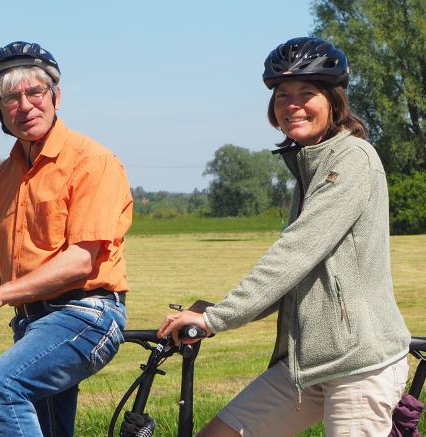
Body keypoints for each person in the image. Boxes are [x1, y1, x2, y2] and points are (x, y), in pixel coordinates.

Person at [158, 36, 411, 437]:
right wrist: (218, 310)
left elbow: (294, 254)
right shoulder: (309, 166)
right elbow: (293, 279)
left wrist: (214, 319)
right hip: (307, 363)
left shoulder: (352, 160)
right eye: (282, 95)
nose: (292, 105)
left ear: (333, 101)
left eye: (306, 93)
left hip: (358, 364)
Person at [0, 41, 133, 437]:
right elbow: (15, 273)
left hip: (87, 314)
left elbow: (81, 260)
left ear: (56, 96)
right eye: (11, 98)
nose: (25, 106)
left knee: (0, 384)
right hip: (32, 322)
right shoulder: (5, 175)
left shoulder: (91, 161)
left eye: (35, 92)